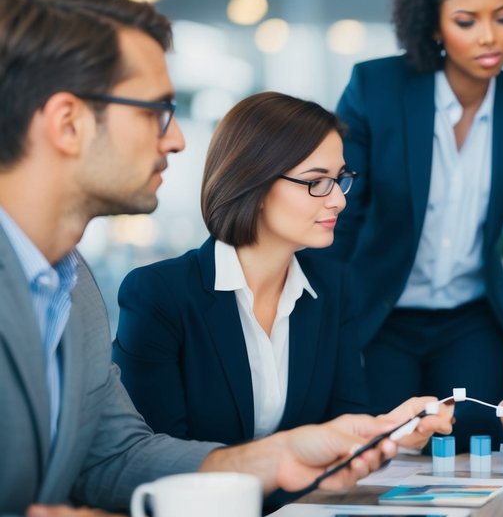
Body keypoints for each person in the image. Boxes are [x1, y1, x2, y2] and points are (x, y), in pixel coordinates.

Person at [0, 0, 450, 517]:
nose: (178, 140)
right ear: (68, 122)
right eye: (156, 110)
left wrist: (275, 458)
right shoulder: (142, 292)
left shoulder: (77, 293)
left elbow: (113, 457)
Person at [327, 0, 503, 437]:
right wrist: (327, 321)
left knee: (483, 436)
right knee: (385, 444)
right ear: (433, 26)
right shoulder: (376, 89)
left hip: (470, 318)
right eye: (466, 21)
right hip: (382, 313)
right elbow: (340, 215)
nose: (488, 37)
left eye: (502, 17)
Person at [113, 92, 372, 444]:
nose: (339, 200)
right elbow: (155, 458)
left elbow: (347, 433)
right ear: (257, 184)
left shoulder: (334, 287)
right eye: (316, 182)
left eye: (340, 178)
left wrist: (390, 432)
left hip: (307, 500)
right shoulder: (159, 295)